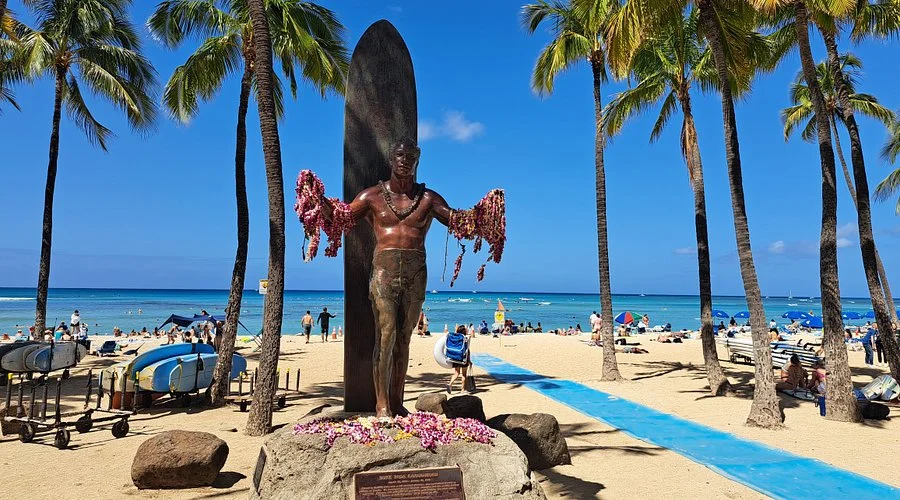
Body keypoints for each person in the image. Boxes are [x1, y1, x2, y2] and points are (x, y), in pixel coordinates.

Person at [446, 325, 473, 394]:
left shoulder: (455, 338)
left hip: (455, 356)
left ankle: (450, 384)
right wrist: (469, 360)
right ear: (464, 331)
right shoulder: (465, 338)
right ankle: (462, 390)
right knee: (464, 374)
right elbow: (467, 350)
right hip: (463, 358)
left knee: (456, 373)